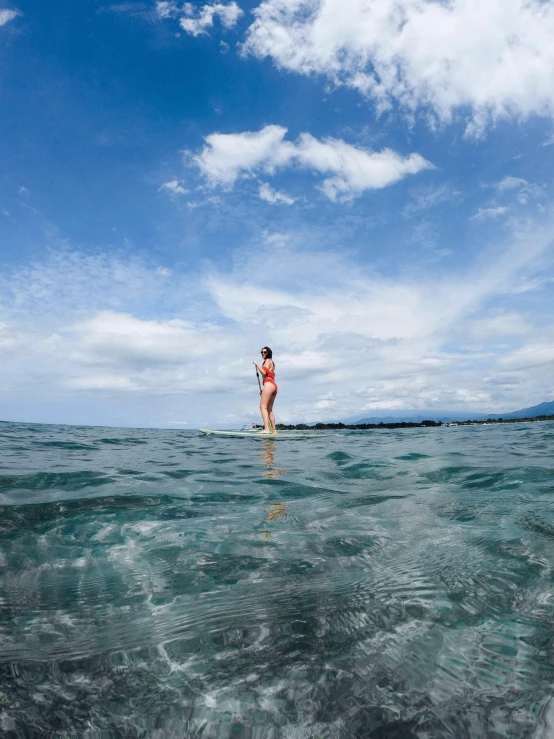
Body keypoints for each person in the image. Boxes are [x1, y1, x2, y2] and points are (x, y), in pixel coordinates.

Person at [253, 346, 278, 434]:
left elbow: (264, 372)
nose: (263, 353)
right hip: (273, 385)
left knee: (262, 407)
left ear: (268, 353)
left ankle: (267, 429)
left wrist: (257, 364)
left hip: (268, 384)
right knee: (269, 409)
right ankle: (274, 431)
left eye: (265, 352)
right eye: (262, 352)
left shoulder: (267, 361)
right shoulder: (272, 362)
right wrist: (264, 390)